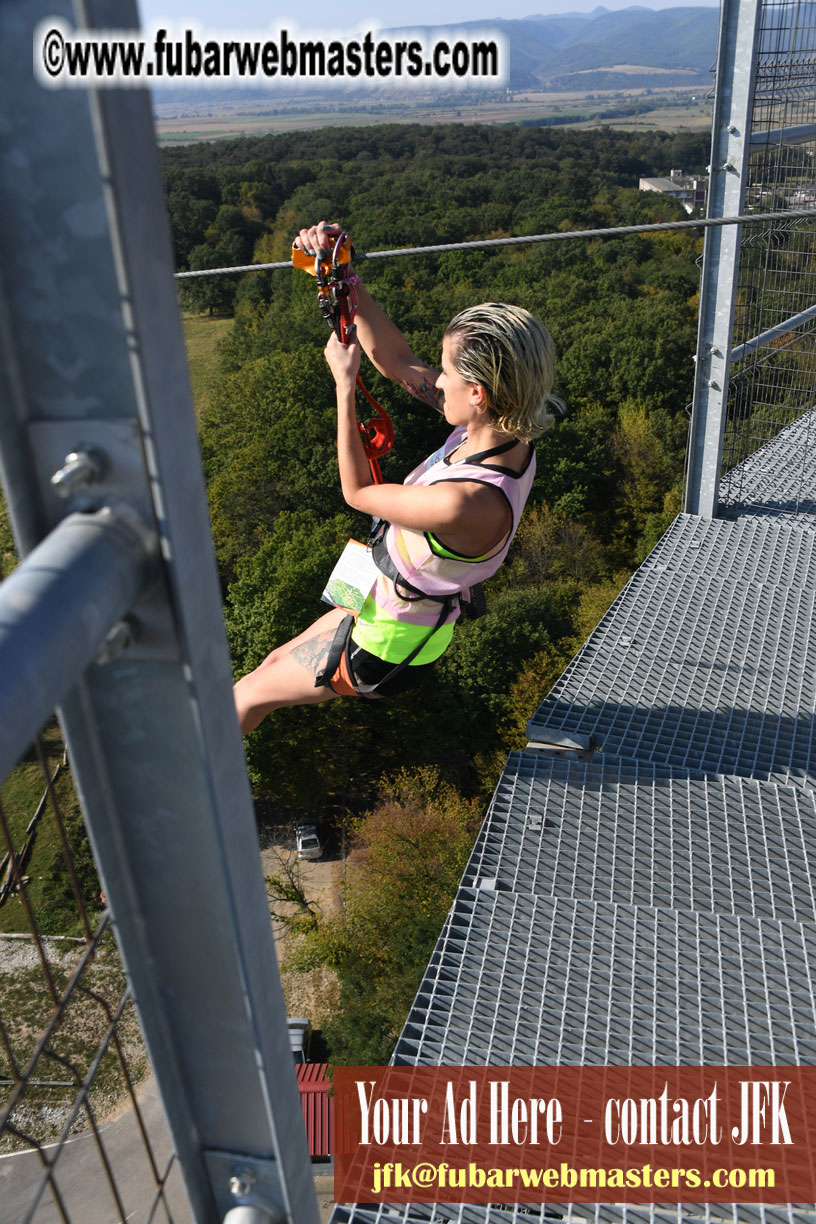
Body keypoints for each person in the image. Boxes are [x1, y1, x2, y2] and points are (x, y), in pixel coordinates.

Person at [233, 221, 562, 735]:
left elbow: (358, 492)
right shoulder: (496, 432)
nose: (438, 378)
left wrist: (345, 386)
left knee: (246, 698)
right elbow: (398, 363)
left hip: (384, 645)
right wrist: (348, 283)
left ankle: (181, 793)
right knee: (269, 667)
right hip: (380, 595)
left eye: (448, 372)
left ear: (477, 392)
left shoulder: (469, 502)